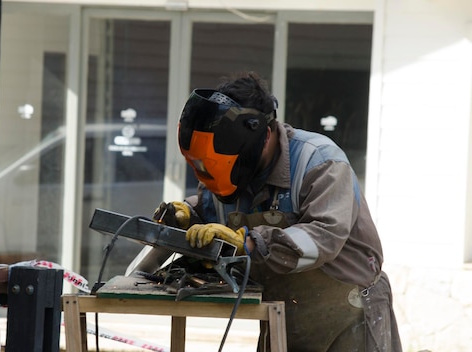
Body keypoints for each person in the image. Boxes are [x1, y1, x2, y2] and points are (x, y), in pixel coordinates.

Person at [127, 71, 402, 351]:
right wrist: (187, 214)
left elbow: (323, 238)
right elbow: (216, 211)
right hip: (283, 315)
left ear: (264, 134)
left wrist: (247, 243)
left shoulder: (319, 162)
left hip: (350, 312)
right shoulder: (235, 173)